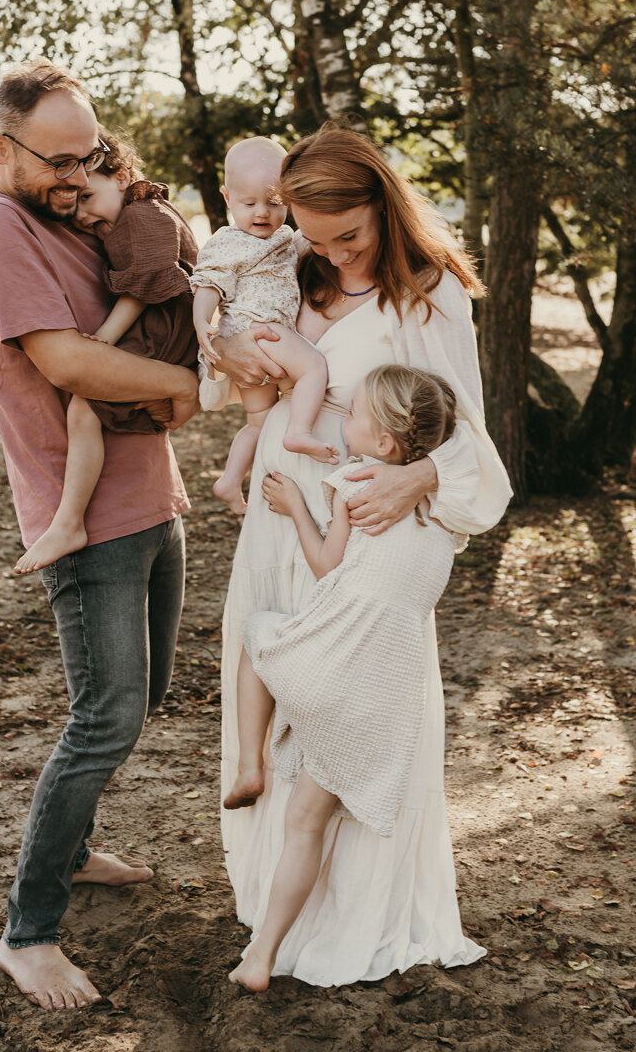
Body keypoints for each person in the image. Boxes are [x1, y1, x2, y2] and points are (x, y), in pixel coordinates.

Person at [213, 124, 512, 989]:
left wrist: (417, 476)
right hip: (279, 534)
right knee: (270, 693)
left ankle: (354, 920)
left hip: (365, 544)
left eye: (350, 235)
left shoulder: (433, 296)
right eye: (316, 237)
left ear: (383, 203)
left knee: (352, 717)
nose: (335, 254)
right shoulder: (295, 273)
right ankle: (271, 909)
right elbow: (254, 374)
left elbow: (473, 441)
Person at [0, 58, 199, 1011]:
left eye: (87, 153)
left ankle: (77, 845)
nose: (73, 174)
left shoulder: (76, 208)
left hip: (149, 489)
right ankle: (30, 930)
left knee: (142, 700)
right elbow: (64, 360)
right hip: (84, 510)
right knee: (104, 716)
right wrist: (187, 386)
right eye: (55, 159)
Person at [226, 366, 460, 990]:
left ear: (383, 444)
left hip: (332, 660)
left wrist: (297, 505)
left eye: (353, 413)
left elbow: (328, 566)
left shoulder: (354, 479)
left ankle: (251, 762)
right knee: (311, 819)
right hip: (388, 690)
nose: (342, 420)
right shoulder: (445, 508)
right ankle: (265, 954)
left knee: (259, 634)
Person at [14, 130, 198, 575]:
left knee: (82, 412)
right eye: (74, 205)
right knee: (92, 411)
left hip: (164, 327)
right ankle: (71, 520)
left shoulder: (143, 215)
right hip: (165, 327)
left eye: (87, 196)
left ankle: (69, 522)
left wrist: (104, 340)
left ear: (121, 177)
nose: (80, 213)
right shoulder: (127, 216)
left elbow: (146, 284)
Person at [191, 136, 336, 514]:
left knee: (259, 423)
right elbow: (208, 284)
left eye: (274, 203)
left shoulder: (286, 238)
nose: (262, 213)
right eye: (249, 203)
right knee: (315, 367)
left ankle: (229, 479)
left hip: (258, 345)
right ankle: (300, 433)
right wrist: (200, 321)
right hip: (263, 332)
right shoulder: (229, 242)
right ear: (226, 198)